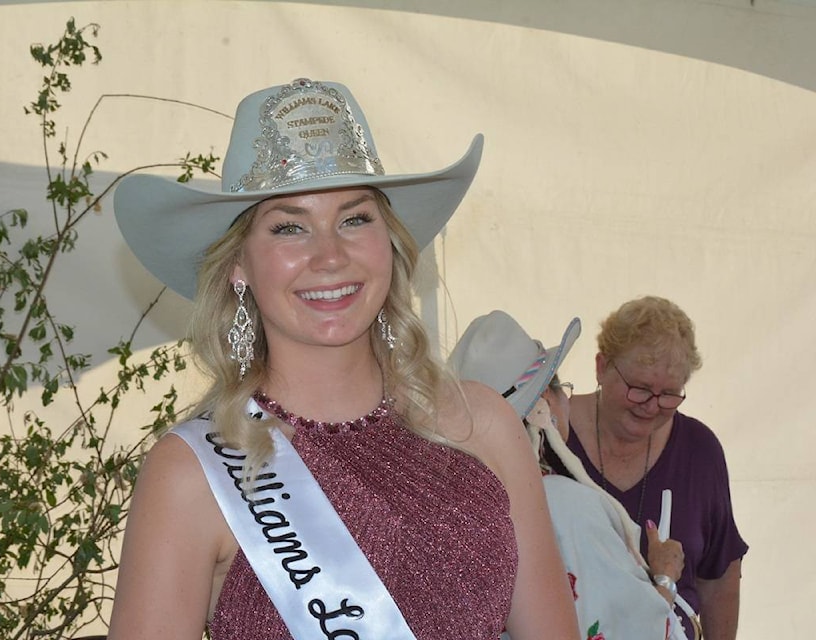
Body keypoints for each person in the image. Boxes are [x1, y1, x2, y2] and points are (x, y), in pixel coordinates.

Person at [106, 78, 579, 639]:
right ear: (238, 265)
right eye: (289, 227)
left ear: (391, 243)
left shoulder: (482, 425)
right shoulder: (192, 474)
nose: (329, 255)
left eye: (354, 219)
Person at [450, 310, 690, 640]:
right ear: (543, 407)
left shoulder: (454, 509)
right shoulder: (563, 505)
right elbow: (632, 629)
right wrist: (664, 578)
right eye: (562, 387)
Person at [558, 296, 748, 640]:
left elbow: (719, 575)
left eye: (669, 395)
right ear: (601, 366)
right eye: (640, 389)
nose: (652, 406)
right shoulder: (549, 434)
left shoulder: (699, 450)